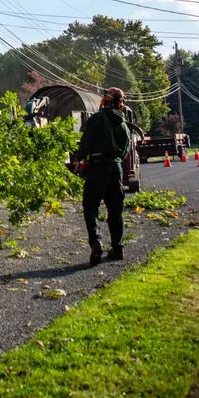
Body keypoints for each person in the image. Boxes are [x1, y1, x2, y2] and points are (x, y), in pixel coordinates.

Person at [76, 86, 131, 266]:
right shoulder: (123, 124)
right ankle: (117, 248)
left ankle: (96, 241)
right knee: (115, 209)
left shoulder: (98, 118)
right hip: (115, 168)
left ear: (106, 100)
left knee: (90, 205)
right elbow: (125, 150)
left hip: (97, 167)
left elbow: (86, 143)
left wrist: (77, 158)